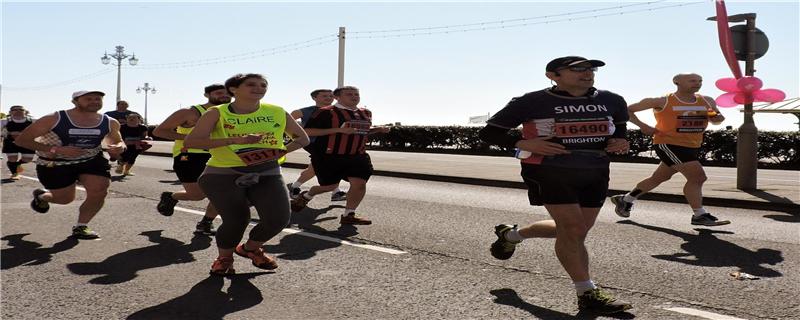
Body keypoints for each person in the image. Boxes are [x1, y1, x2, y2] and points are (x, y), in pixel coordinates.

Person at [478, 56, 633, 314]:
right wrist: (523, 143)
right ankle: (587, 293)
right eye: (577, 69)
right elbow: (489, 133)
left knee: (576, 230)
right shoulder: (530, 101)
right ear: (553, 75)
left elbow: (619, 132)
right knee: (572, 229)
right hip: (549, 170)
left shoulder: (613, 100)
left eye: (590, 69)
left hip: (595, 170)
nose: (587, 73)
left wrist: (620, 142)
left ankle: (511, 235)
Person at [185, 73, 309, 275]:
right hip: (223, 173)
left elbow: (302, 139)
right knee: (237, 219)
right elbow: (193, 142)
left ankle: (250, 249)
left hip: (267, 171)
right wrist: (237, 141)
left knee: (278, 219)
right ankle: (224, 259)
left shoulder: (277, 112)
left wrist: (279, 151)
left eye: (263, 85)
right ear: (234, 89)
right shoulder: (217, 113)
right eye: (251, 84)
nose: (259, 88)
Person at [610, 73, 730, 226]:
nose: (697, 84)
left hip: (692, 146)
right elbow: (626, 110)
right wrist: (643, 126)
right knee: (698, 177)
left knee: (659, 178)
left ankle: (626, 199)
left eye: (700, 81)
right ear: (677, 82)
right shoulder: (663, 101)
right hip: (668, 144)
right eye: (692, 81)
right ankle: (699, 215)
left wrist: (717, 118)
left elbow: (715, 119)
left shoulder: (706, 100)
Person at [14, 90, 126, 239]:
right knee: (65, 199)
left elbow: (117, 141)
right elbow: (22, 140)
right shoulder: (53, 118)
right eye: (88, 99)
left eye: (98, 99)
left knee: (99, 190)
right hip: (55, 163)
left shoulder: (110, 122)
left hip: (91, 160)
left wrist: (118, 147)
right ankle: (42, 197)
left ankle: (81, 226)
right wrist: (57, 149)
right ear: (75, 101)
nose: (94, 101)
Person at [290, 86, 390, 225]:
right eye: (349, 94)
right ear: (337, 97)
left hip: (357, 155)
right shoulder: (325, 112)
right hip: (329, 156)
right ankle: (307, 195)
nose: (354, 96)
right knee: (329, 187)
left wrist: (378, 129)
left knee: (359, 184)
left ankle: (349, 214)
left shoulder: (366, 113)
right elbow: (308, 131)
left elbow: (361, 130)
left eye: (356, 94)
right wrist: (339, 130)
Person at [153, 84, 231, 236]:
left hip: (217, 155)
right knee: (197, 195)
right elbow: (159, 131)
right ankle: (171, 196)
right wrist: (191, 138)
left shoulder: (230, 114)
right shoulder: (190, 113)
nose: (224, 95)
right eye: (219, 92)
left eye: (228, 93)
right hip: (189, 156)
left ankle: (205, 223)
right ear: (206, 95)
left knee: (221, 192)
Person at [286, 89, 347, 201]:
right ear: (314, 98)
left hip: (332, 144)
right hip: (313, 144)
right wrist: (298, 139)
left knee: (315, 167)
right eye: (324, 96)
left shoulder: (338, 111)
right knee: (328, 165)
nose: (329, 98)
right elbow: (285, 124)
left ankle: (295, 186)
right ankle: (335, 192)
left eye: (330, 96)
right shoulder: (304, 111)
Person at [1, 105, 36, 180]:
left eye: (20, 110)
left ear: (25, 112)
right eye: (15, 110)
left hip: (27, 142)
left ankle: (16, 165)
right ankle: (14, 174)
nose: (18, 111)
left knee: (28, 159)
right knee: (12, 158)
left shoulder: (32, 120)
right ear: (10, 112)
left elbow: (42, 129)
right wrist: (5, 133)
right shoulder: (4, 121)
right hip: (10, 142)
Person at [105, 100, 134, 173]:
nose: (124, 105)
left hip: (127, 134)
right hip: (112, 133)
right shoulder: (109, 113)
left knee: (126, 150)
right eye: (122, 104)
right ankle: (116, 158)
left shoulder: (132, 114)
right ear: (117, 105)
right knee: (113, 147)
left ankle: (120, 163)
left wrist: (127, 122)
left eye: (125, 104)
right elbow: (102, 121)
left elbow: (140, 122)